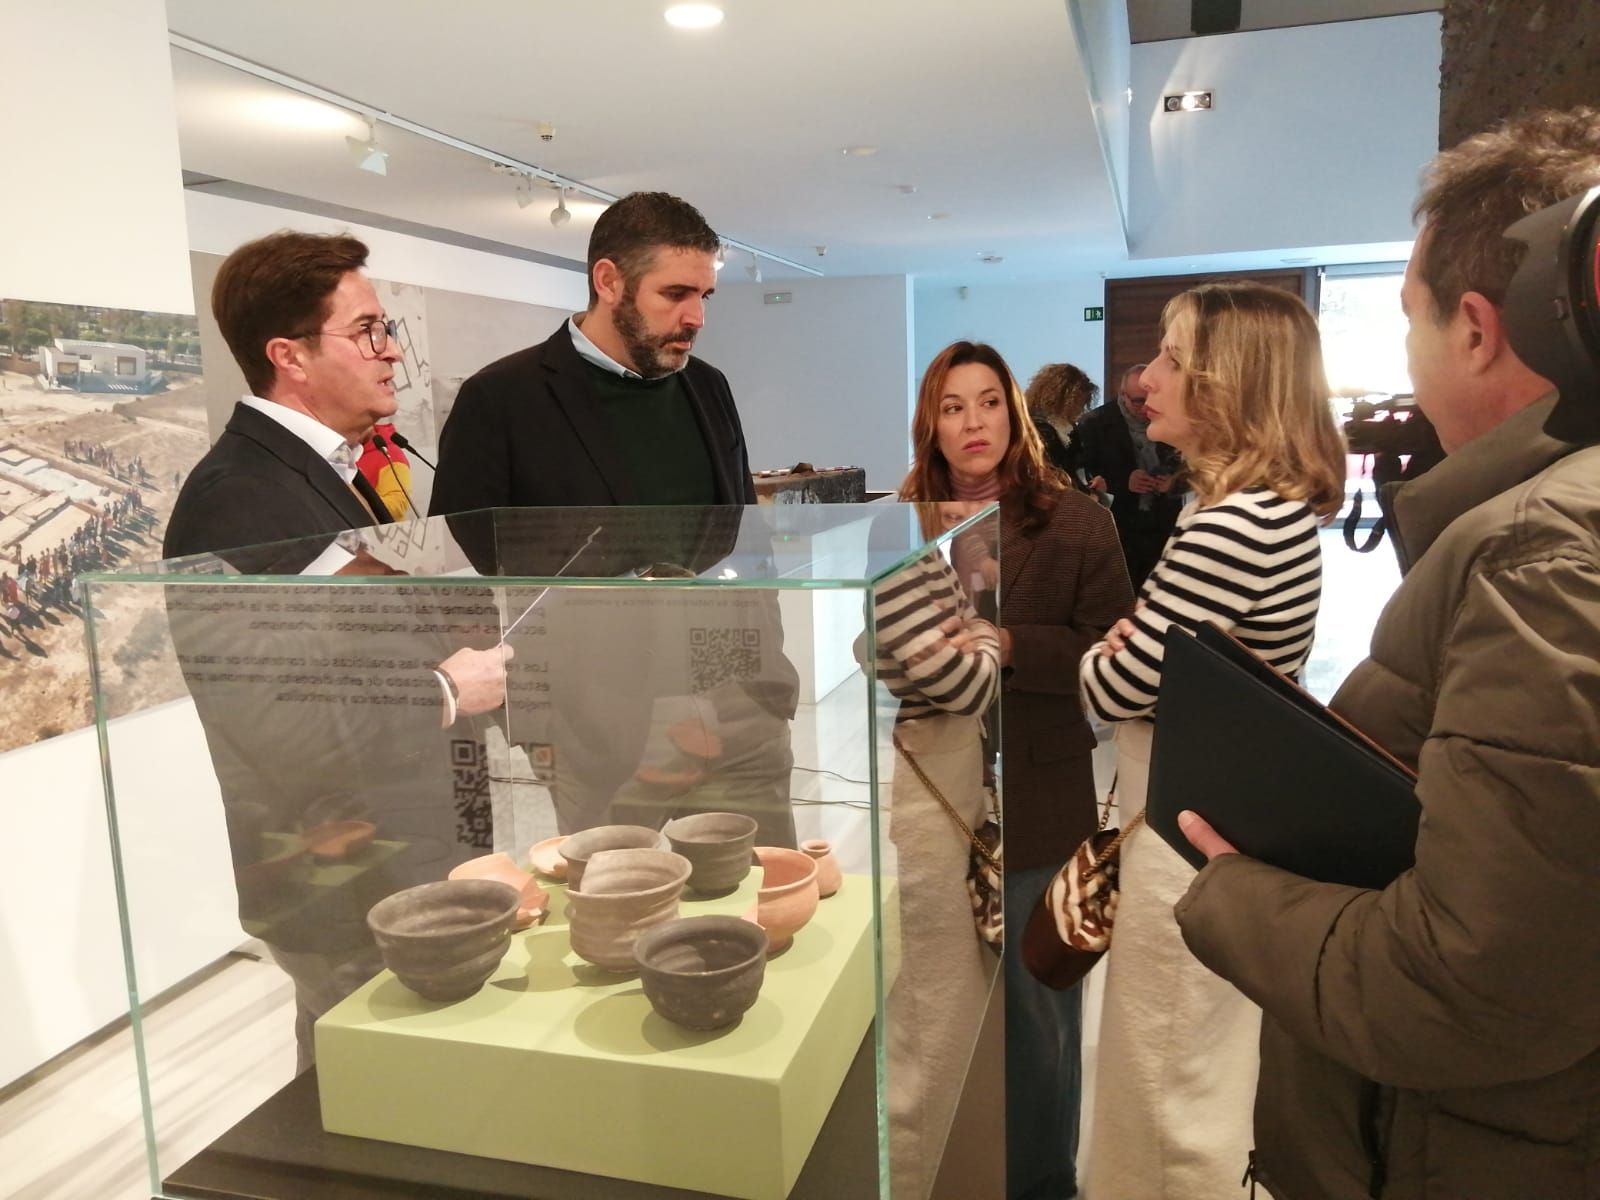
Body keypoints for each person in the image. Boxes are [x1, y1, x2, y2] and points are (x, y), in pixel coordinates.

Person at [1173, 107, 1600, 1200]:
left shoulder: (1540, 555)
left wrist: (1231, 891)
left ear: (1476, 329)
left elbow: (1467, 986)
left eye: (1411, 320)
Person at [1077, 283, 1346, 1198]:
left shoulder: (1232, 525)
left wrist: (1104, 653)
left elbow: (1115, 685)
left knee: (1170, 1082)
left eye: (1172, 358)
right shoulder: (1262, 509)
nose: (1147, 379)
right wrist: (1130, 642)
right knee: (1191, 1070)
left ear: (1226, 384)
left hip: (1186, 830)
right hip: (1218, 815)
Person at [901, 341, 1133, 1200]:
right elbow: (873, 636)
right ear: (931, 422)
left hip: (1040, 785)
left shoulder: (1077, 521)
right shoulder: (904, 524)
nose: (974, 422)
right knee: (941, 1002)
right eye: (953, 406)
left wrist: (1009, 644)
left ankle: (1043, 1184)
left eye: (989, 401)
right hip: (936, 790)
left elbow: (1110, 650)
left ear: (1015, 412)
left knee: (1039, 1009)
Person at [430, 191, 757, 514]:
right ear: (609, 281)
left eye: (704, 296)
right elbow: (458, 546)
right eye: (675, 293)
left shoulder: (709, 385)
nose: (697, 319)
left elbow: (748, 528)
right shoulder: (498, 400)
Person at [1074, 364, 1185, 587]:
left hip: (1163, 527)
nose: (1145, 407)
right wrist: (1123, 482)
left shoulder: (1170, 418)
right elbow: (1083, 477)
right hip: (1120, 530)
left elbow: (1193, 465)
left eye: (1149, 398)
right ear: (1122, 395)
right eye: (1137, 401)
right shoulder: (1093, 424)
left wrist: (1175, 482)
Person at [1024, 361, 1098, 486]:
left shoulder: (1070, 430)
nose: (1081, 408)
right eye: (1079, 401)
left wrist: (1090, 483)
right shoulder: (1037, 429)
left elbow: (1078, 470)